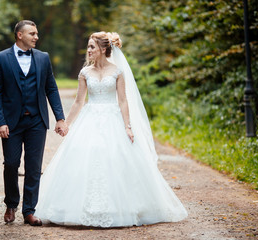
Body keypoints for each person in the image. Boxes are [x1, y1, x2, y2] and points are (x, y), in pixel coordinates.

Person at [35, 32, 188, 227]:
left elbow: (123, 101)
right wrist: (66, 123)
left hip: (112, 118)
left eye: (92, 47)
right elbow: (79, 101)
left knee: (114, 157)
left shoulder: (117, 71)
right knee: (85, 156)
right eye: (88, 47)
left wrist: (127, 126)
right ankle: (79, 208)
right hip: (89, 119)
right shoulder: (85, 73)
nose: (88, 50)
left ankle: (121, 207)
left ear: (103, 49)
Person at [0, 20, 68, 226]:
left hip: (36, 120)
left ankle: (29, 211)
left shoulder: (43, 58)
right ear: (19, 35)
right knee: (11, 164)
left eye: (37, 33)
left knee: (34, 167)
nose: (36, 37)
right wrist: (0, 121)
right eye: (32, 33)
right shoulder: (0, 59)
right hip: (11, 122)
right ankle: (11, 204)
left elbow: (51, 88)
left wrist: (59, 117)